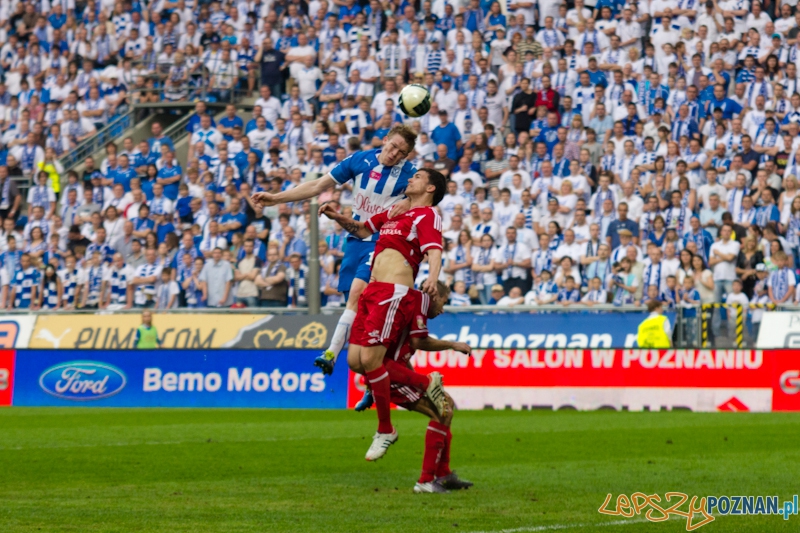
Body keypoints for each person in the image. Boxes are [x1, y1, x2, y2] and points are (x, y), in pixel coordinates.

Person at [251, 125, 418, 376]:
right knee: (358, 311)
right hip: (354, 242)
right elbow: (318, 185)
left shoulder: (409, 174)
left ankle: (330, 353)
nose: (394, 153)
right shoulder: (360, 160)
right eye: (393, 146)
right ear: (384, 140)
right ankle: (384, 371)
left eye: (401, 152)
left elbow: (430, 193)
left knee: (356, 294)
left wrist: (408, 200)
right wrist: (275, 199)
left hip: (382, 242)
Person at [319, 167, 447, 461]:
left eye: (418, 178)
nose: (411, 179)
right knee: (355, 362)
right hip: (372, 290)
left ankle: (386, 429)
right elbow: (364, 230)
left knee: (370, 360)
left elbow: (435, 249)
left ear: (430, 189)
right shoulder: (396, 212)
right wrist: (339, 218)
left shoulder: (428, 215)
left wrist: (432, 276)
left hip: (393, 291)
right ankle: (426, 382)